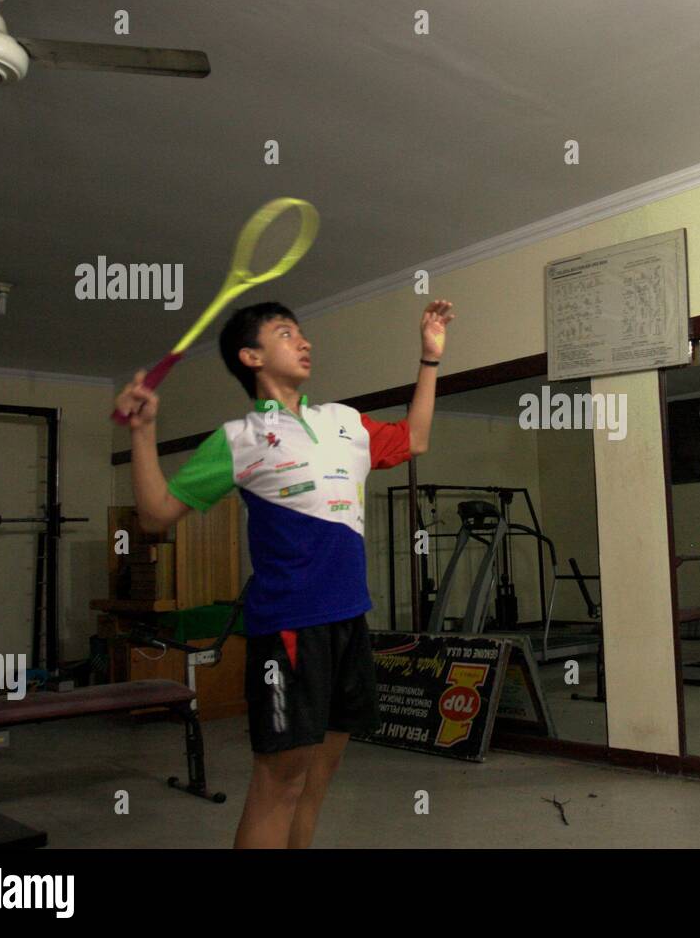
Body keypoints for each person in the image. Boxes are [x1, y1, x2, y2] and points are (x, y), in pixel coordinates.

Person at [114, 298, 454, 847]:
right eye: (284, 333)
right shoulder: (239, 439)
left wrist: (429, 359)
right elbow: (155, 513)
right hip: (290, 631)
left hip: (349, 623)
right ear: (251, 356)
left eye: (301, 332)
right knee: (280, 784)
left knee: (319, 777)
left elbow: (414, 439)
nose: (304, 341)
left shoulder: (344, 422)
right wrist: (142, 433)